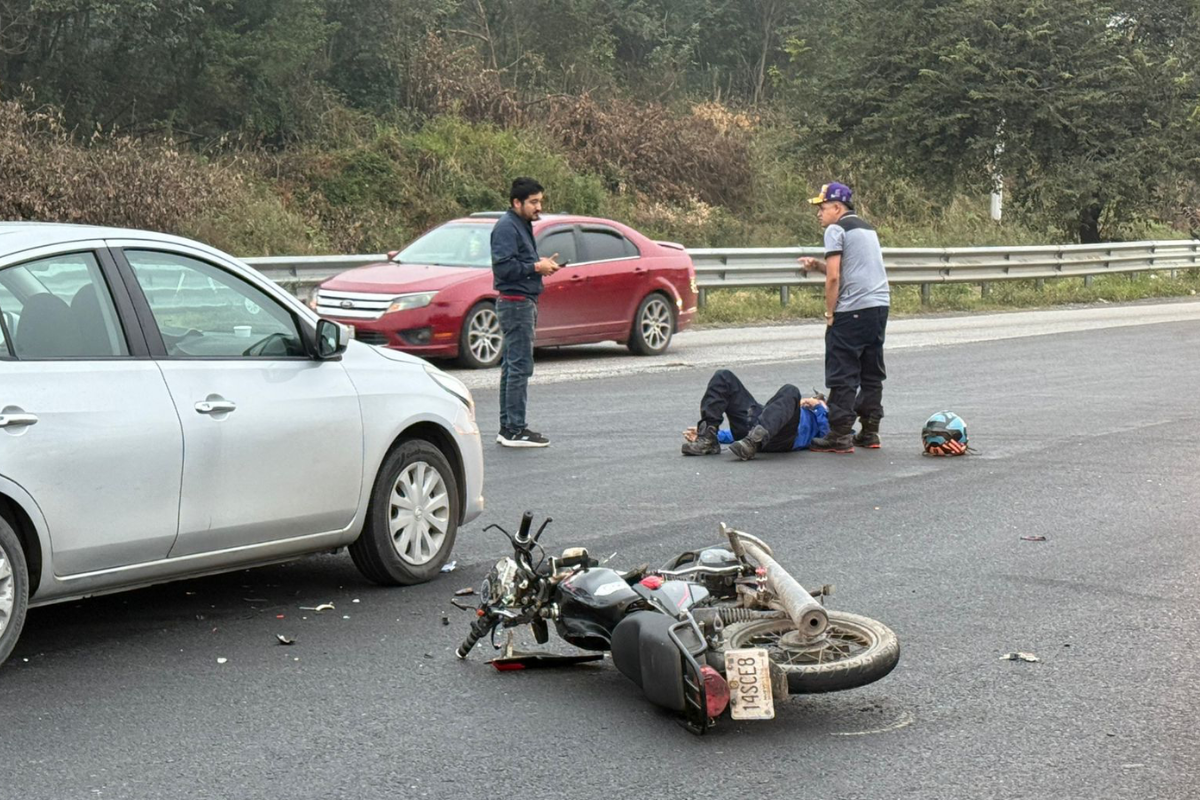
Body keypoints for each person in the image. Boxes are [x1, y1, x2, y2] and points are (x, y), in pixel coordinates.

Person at [798, 182, 890, 453]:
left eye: (822, 207)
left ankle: (839, 435)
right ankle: (870, 431)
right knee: (871, 372)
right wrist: (817, 266)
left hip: (852, 310)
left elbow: (835, 277)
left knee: (843, 373)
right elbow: (848, 270)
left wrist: (830, 314)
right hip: (878, 306)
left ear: (837, 207)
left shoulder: (836, 229)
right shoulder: (866, 228)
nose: (819, 213)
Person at [491, 177, 562, 448]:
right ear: (516, 202)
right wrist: (536, 267)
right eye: (533, 202)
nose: (538, 207)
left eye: (540, 201)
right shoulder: (507, 227)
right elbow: (504, 267)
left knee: (512, 367)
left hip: (522, 301)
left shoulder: (520, 225)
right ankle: (515, 430)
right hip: (515, 303)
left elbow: (520, 262)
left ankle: (508, 427)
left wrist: (542, 265)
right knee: (519, 367)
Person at [681, 369, 829, 461]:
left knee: (790, 389)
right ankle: (708, 439)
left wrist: (820, 408)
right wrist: (716, 434)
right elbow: (736, 435)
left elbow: (828, 436)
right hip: (756, 427)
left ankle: (753, 442)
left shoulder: (824, 415)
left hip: (784, 439)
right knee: (723, 376)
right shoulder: (787, 406)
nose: (812, 399)